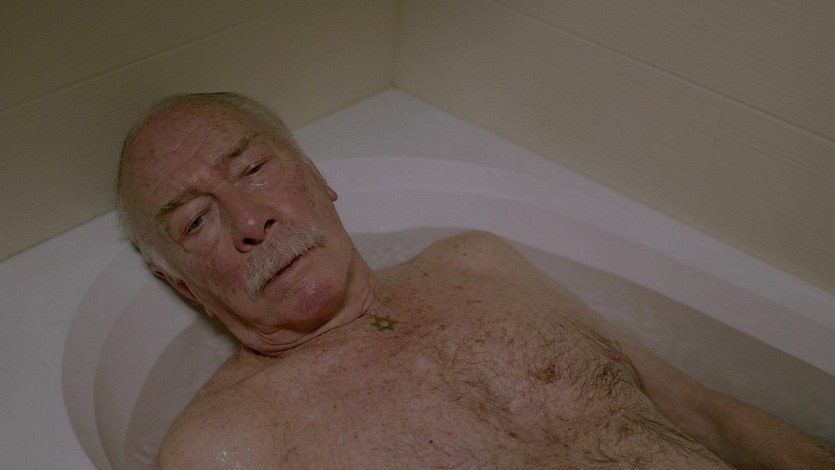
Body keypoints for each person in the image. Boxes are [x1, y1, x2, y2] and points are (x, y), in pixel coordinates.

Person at [117, 92, 835, 469]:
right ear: (185, 287)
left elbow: (703, 414)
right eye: (197, 222)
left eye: (253, 169)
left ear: (317, 177)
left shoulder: (478, 262)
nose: (251, 221)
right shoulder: (222, 448)